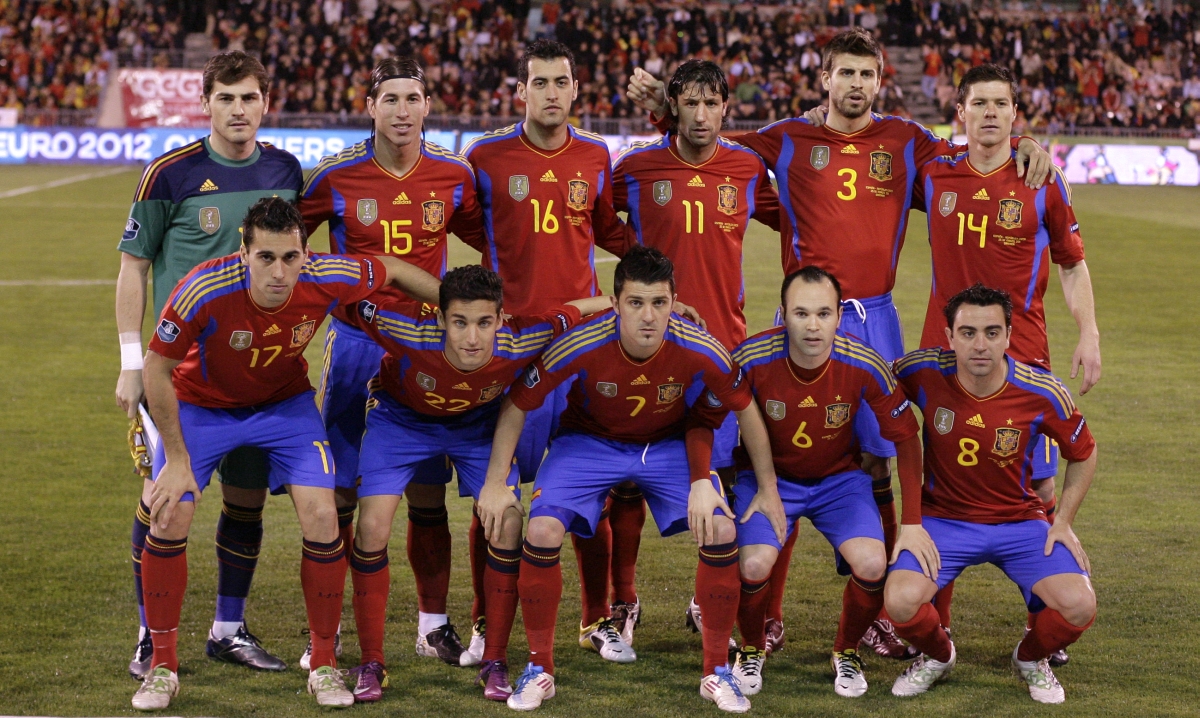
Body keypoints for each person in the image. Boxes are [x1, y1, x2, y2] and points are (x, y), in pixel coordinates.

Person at [628, 27, 1054, 658]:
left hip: (874, 319)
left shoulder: (906, 139)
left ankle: (885, 611)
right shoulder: (787, 137)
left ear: (880, 79)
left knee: (881, 459)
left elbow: (976, 147)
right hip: (803, 318)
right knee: (781, 457)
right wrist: (666, 112)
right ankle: (766, 612)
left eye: (867, 73)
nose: (856, 83)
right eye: (845, 73)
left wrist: (1025, 144)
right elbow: (711, 140)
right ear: (824, 78)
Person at [130, 197, 442, 710]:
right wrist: (179, 461)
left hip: (284, 406)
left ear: (305, 254)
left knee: (323, 515)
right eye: (266, 258)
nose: (279, 272)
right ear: (243, 253)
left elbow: (394, 269)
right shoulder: (203, 288)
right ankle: (162, 667)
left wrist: (453, 306)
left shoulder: (327, 274)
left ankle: (323, 663)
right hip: (203, 407)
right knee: (168, 514)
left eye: (290, 257)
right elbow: (156, 368)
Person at [476, 246, 783, 713]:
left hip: (665, 446)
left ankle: (717, 672)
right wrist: (497, 480)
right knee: (541, 530)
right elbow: (518, 402)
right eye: (636, 303)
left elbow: (747, 410)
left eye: (659, 302)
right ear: (615, 303)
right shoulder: (582, 341)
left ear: (674, 301)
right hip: (588, 443)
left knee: (722, 528)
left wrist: (766, 488)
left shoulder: (699, 344)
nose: (648, 316)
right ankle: (539, 669)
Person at [344, 265, 614, 702]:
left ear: (502, 319)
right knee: (372, 527)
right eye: (460, 322)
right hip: (400, 421)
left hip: (477, 427)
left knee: (508, 520)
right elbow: (338, 294)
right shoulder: (401, 326)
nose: (472, 337)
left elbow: (574, 310)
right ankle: (371, 662)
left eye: (484, 322)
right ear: (439, 318)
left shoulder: (523, 337)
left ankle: (495, 660)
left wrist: (629, 303)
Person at [114, 50, 301, 678]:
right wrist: (131, 362)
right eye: (226, 98)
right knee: (165, 502)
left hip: (257, 376)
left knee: (247, 502)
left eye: (249, 97)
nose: (238, 109)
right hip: (180, 377)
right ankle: (149, 635)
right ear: (206, 103)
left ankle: (228, 628)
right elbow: (133, 268)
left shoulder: (285, 170)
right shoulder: (169, 174)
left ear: (265, 102)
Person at [460, 39, 638, 685]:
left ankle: (596, 619)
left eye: (561, 82)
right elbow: (463, 224)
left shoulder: (594, 155)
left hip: (580, 348)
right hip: (507, 350)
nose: (552, 93)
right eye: (540, 83)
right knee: (496, 491)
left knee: (587, 486)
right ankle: (484, 619)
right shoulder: (485, 156)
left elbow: (608, 229)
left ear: (575, 88)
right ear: (521, 91)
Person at [299, 56, 484, 670]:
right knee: (342, 494)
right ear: (370, 107)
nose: (402, 111)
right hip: (357, 347)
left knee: (428, 492)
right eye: (390, 99)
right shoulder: (334, 176)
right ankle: (327, 633)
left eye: (413, 98)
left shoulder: (454, 174)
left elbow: (494, 242)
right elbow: (288, 248)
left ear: (428, 106)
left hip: (426, 349)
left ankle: (433, 626)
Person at [913, 64, 1101, 663]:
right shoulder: (933, 169)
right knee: (942, 480)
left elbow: (1071, 262)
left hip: (1024, 357)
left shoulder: (1041, 178)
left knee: (1037, 484)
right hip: (945, 359)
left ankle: (1042, 620)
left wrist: (1090, 332)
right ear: (960, 111)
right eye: (980, 103)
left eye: (1001, 104)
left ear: (1015, 115)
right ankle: (934, 628)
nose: (990, 113)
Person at [610, 58, 781, 645]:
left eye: (712, 104)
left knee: (723, 476)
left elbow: (796, 217)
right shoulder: (636, 168)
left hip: (722, 348)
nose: (702, 115)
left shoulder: (746, 168)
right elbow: (594, 220)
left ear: (726, 108)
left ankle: (706, 600)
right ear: (673, 107)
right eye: (691, 103)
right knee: (628, 477)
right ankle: (623, 599)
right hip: (647, 347)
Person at [725, 266, 930, 699]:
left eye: (823, 313)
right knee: (753, 565)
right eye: (801, 313)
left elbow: (907, 438)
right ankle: (751, 647)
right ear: (783, 314)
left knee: (872, 564)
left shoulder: (864, 362)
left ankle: (846, 651)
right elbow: (709, 420)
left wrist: (912, 522)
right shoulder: (751, 358)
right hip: (769, 482)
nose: (813, 326)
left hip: (839, 482)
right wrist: (712, 482)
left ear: (839, 316)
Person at [888, 284, 1097, 705]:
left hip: (1018, 522)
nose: (980, 345)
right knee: (899, 601)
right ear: (949, 337)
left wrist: (1063, 521)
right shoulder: (921, 371)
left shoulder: (1042, 391)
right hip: (942, 521)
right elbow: (872, 383)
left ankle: (1030, 658)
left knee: (1079, 605)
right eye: (968, 333)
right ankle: (938, 656)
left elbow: (1085, 453)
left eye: (991, 332)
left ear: (1008, 335)